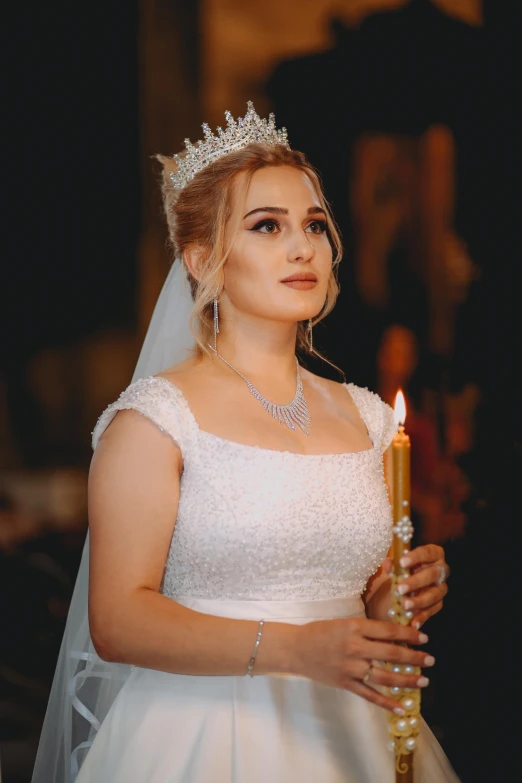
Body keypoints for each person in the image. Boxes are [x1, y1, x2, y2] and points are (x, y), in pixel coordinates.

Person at [31, 103, 458, 782]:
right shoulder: (154, 420)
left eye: (315, 225)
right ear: (203, 259)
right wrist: (298, 649)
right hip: (203, 732)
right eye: (268, 226)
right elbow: (116, 619)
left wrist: (392, 596)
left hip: (353, 728)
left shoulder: (370, 418)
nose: (304, 248)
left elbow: (359, 593)